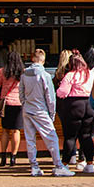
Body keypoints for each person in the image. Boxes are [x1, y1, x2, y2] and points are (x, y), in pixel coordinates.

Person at [20, 49, 70, 177]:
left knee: (30, 139)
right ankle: (58, 165)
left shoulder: (24, 74)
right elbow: (50, 97)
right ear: (43, 60)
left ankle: (34, 166)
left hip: (27, 109)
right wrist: (52, 114)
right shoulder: (45, 75)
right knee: (51, 137)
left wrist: (25, 104)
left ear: (32, 59)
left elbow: (21, 93)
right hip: (40, 110)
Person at [55, 50, 94, 174]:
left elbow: (62, 92)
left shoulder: (70, 75)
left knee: (70, 136)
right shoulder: (89, 74)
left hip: (73, 105)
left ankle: (65, 164)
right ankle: (89, 164)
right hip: (88, 104)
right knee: (86, 136)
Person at [0, 51, 25, 166]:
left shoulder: (2, 71)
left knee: (5, 130)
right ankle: (13, 157)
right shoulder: (23, 72)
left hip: (6, 104)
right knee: (16, 130)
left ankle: (3, 157)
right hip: (19, 104)